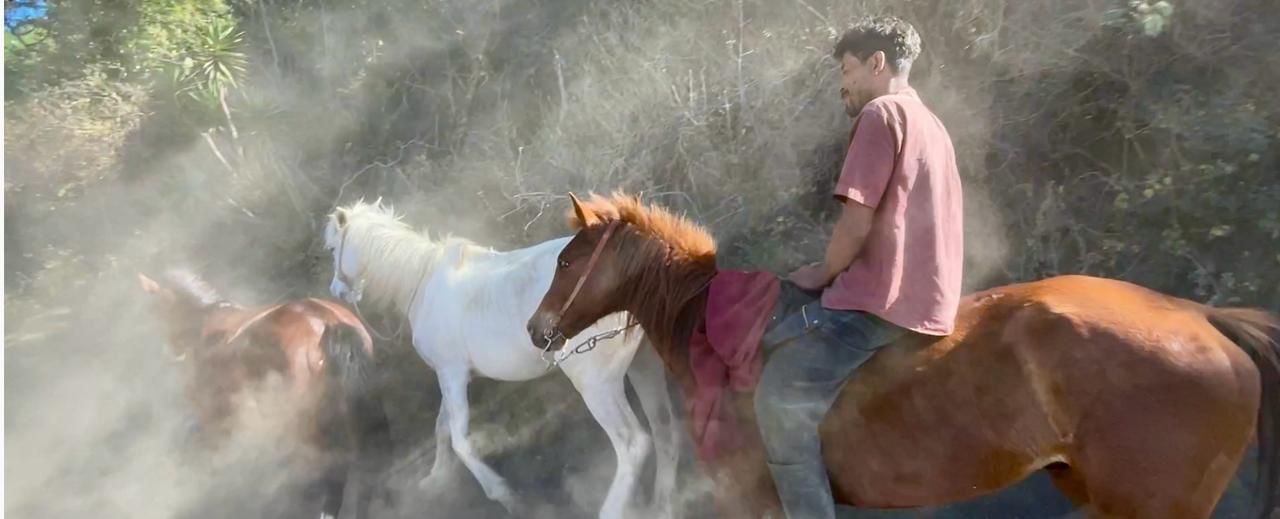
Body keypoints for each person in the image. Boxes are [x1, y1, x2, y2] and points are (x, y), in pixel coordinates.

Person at [753, 15, 965, 518]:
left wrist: (824, 273)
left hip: (879, 304)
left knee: (778, 395)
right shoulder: (932, 124)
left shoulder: (880, 114)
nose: (842, 84)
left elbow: (857, 220)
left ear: (877, 63)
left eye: (847, 70)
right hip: (932, 301)